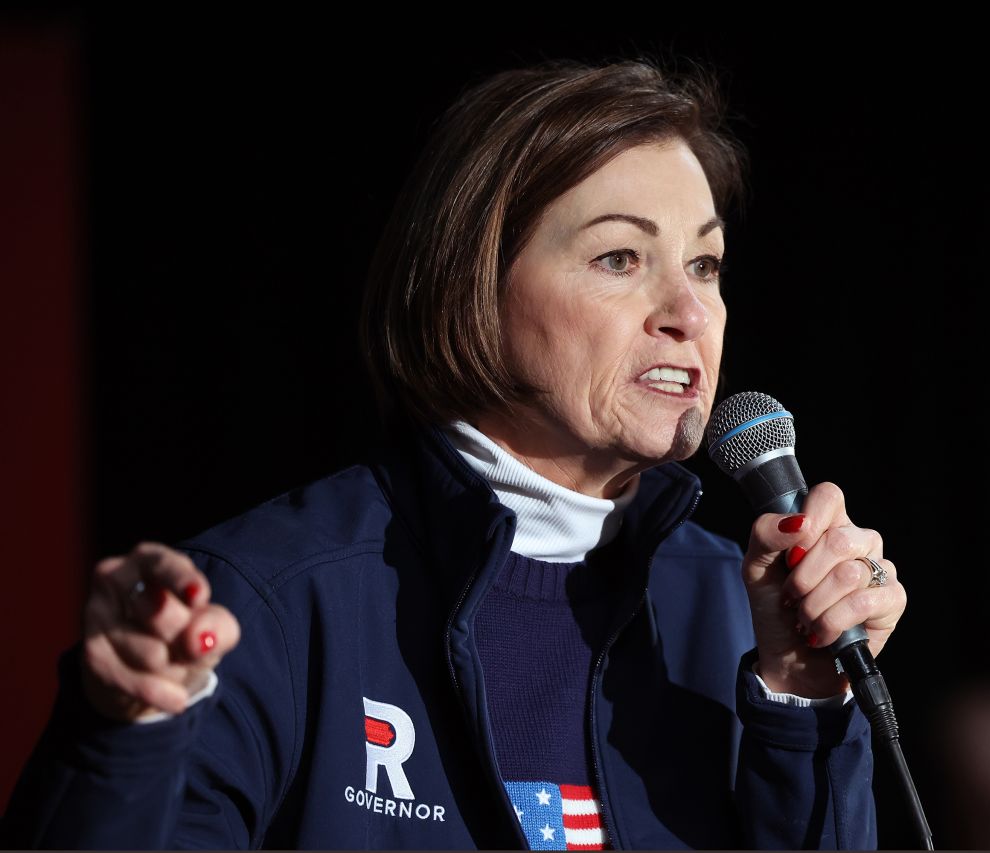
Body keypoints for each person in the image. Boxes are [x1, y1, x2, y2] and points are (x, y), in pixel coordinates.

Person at [2, 56, 907, 850]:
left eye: (705, 265)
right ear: (472, 286)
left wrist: (802, 694)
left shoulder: (737, 609)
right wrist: (124, 739)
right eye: (621, 258)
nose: (689, 311)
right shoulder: (272, 597)